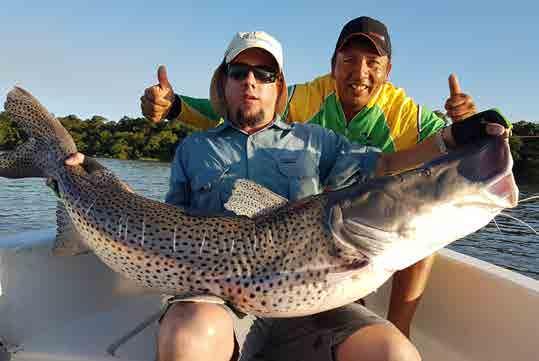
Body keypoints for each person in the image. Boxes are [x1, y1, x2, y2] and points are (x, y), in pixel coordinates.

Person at [69, 31, 507, 361]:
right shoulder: (193, 149)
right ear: (223, 84)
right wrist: (84, 178)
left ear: (280, 88)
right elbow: (172, 220)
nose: (251, 81)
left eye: (265, 74)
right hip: (218, 301)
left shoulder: (318, 141)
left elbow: (388, 167)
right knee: (187, 336)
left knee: (396, 355)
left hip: (314, 309)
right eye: (239, 72)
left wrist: (452, 139)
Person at [139, 16, 477, 338]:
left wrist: (467, 130)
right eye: (349, 60)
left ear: (388, 71)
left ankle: (394, 327)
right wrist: (175, 107)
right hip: (252, 262)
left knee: (417, 231)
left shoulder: (405, 115)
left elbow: (422, 152)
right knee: (190, 330)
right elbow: (235, 106)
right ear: (333, 64)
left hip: (327, 243)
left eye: (373, 63)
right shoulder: (300, 98)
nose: (251, 82)